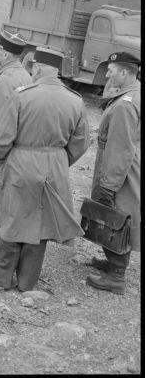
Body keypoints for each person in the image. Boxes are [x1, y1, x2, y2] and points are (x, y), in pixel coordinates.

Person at [0, 47, 89, 292]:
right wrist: (60, 160)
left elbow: (2, 138)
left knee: (13, 216)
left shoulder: (22, 95)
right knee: (41, 223)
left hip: (21, 161)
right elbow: (81, 143)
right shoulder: (76, 100)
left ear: (36, 67)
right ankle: (28, 281)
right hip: (55, 164)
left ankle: (2, 277)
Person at [86, 52, 141, 295]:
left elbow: (120, 146)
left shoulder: (125, 104)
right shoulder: (135, 95)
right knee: (121, 216)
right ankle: (113, 263)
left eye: (111, 70)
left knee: (116, 216)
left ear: (125, 73)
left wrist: (109, 184)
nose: (107, 74)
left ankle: (117, 275)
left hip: (120, 168)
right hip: (127, 164)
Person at [0, 30, 33, 172]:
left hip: (7, 147)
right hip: (19, 143)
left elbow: (0, 119)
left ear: (5, 54)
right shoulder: (25, 75)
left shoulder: (5, 79)